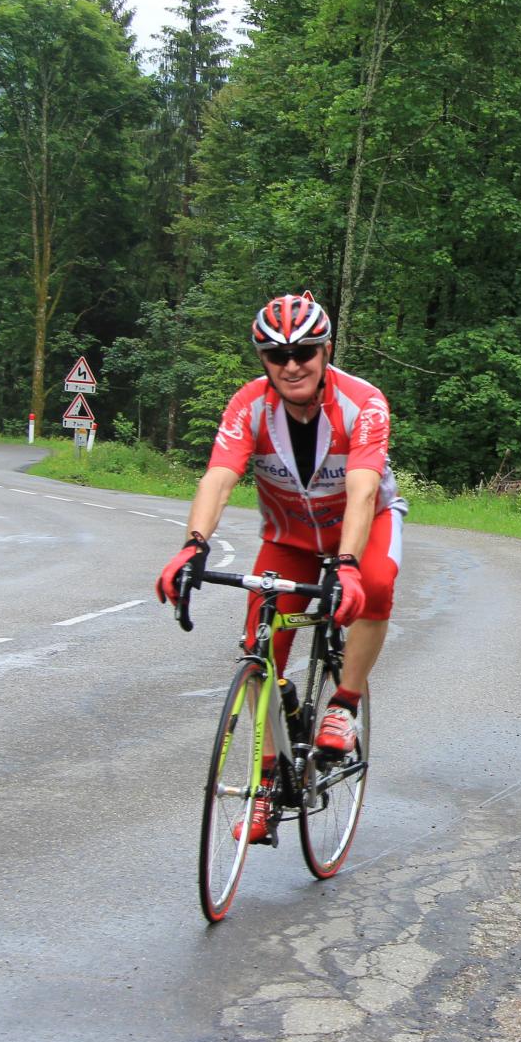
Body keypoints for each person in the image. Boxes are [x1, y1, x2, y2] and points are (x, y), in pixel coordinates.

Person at [156, 291, 404, 842]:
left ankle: (344, 701)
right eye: (276, 355)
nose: (292, 364)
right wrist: (192, 545)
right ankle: (267, 783)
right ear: (263, 360)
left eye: (305, 351)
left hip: (362, 527)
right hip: (289, 535)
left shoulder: (364, 403)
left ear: (326, 350)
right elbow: (219, 476)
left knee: (378, 583)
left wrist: (346, 564)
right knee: (258, 644)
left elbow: (364, 489)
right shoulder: (248, 406)